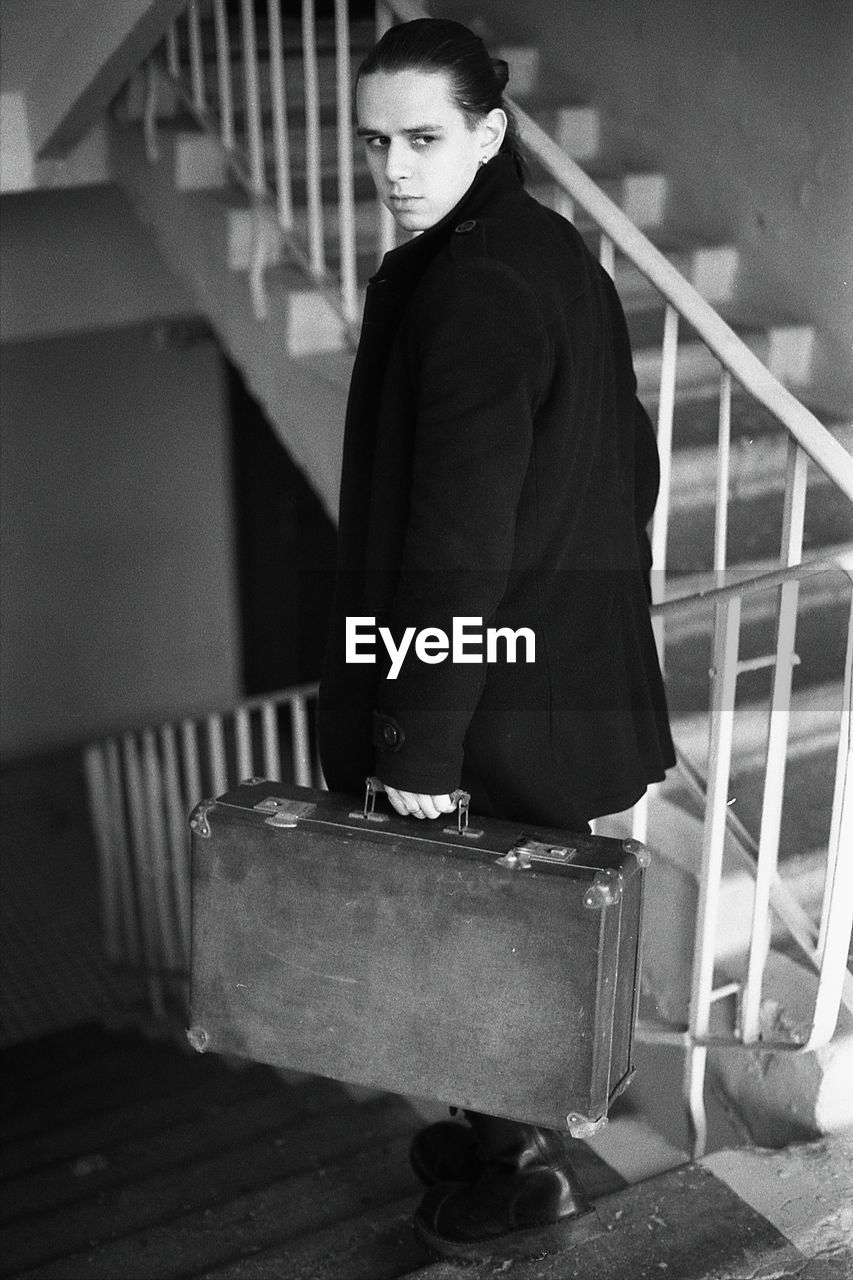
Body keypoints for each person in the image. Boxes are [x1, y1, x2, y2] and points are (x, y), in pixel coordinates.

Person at [317, 16, 675, 1261]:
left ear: (489, 128)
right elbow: (631, 455)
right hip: (543, 680)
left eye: (425, 138)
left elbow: (452, 545)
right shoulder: (547, 251)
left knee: (480, 942)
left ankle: (520, 1175)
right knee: (499, 932)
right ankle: (491, 1139)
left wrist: (418, 746)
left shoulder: (470, 281)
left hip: (484, 700)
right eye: (376, 143)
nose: (397, 168)